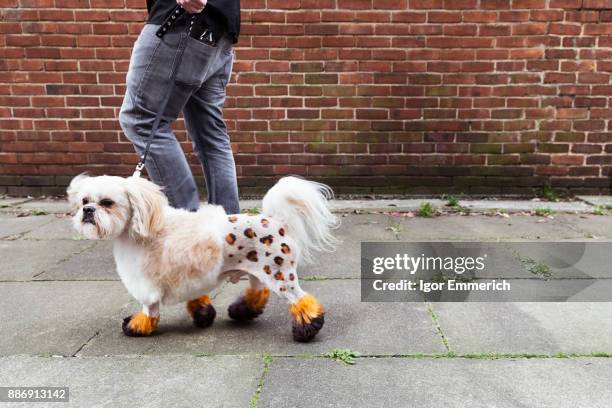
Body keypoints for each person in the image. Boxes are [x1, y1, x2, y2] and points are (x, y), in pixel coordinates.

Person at [119, 0, 241, 214]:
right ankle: (229, 229)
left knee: (140, 119)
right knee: (210, 135)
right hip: (219, 30)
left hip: (183, 20)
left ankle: (187, 224)